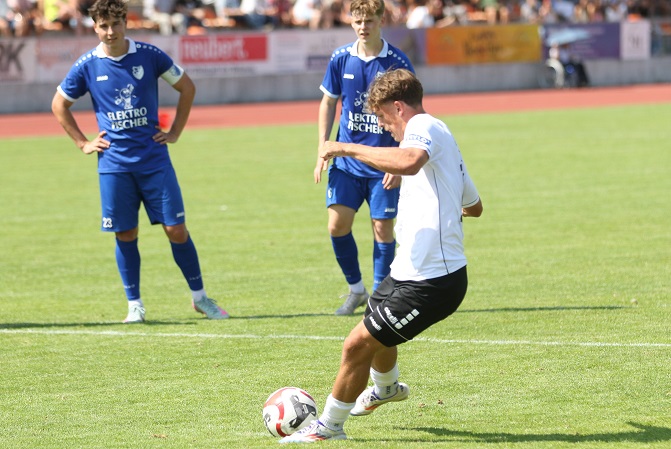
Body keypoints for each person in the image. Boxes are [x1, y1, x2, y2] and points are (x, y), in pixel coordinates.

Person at [281, 68, 483, 443]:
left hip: (433, 282)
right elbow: (474, 206)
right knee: (376, 331)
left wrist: (345, 147)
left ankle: (328, 428)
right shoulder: (443, 139)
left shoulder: (423, 125)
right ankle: (387, 388)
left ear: (399, 107)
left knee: (356, 344)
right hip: (408, 270)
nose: (384, 127)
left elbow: (409, 160)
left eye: (383, 118)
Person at [51, 0, 229, 323]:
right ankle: (134, 305)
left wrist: (175, 132)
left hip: (154, 161)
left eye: (115, 24)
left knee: (176, 229)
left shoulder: (150, 55)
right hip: (114, 166)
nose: (110, 31)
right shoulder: (87, 65)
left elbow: (187, 87)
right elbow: (59, 104)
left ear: (126, 23)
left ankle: (201, 298)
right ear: (95, 27)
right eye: (104, 26)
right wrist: (83, 143)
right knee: (126, 233)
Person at [315, 0, 414, 316]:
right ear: (351, 22)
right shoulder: (340, 58)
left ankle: (379, 299)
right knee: (336, 225)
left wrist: (399, 160)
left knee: (382, 229)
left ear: (381, 20)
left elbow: (411, 115)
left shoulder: (397, 62)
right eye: (358, 21)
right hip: (346, 162)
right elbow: (328, 103)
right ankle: (356, 290)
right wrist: (322, 147)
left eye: (369, 21)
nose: (363, 27)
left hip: (383, 163)